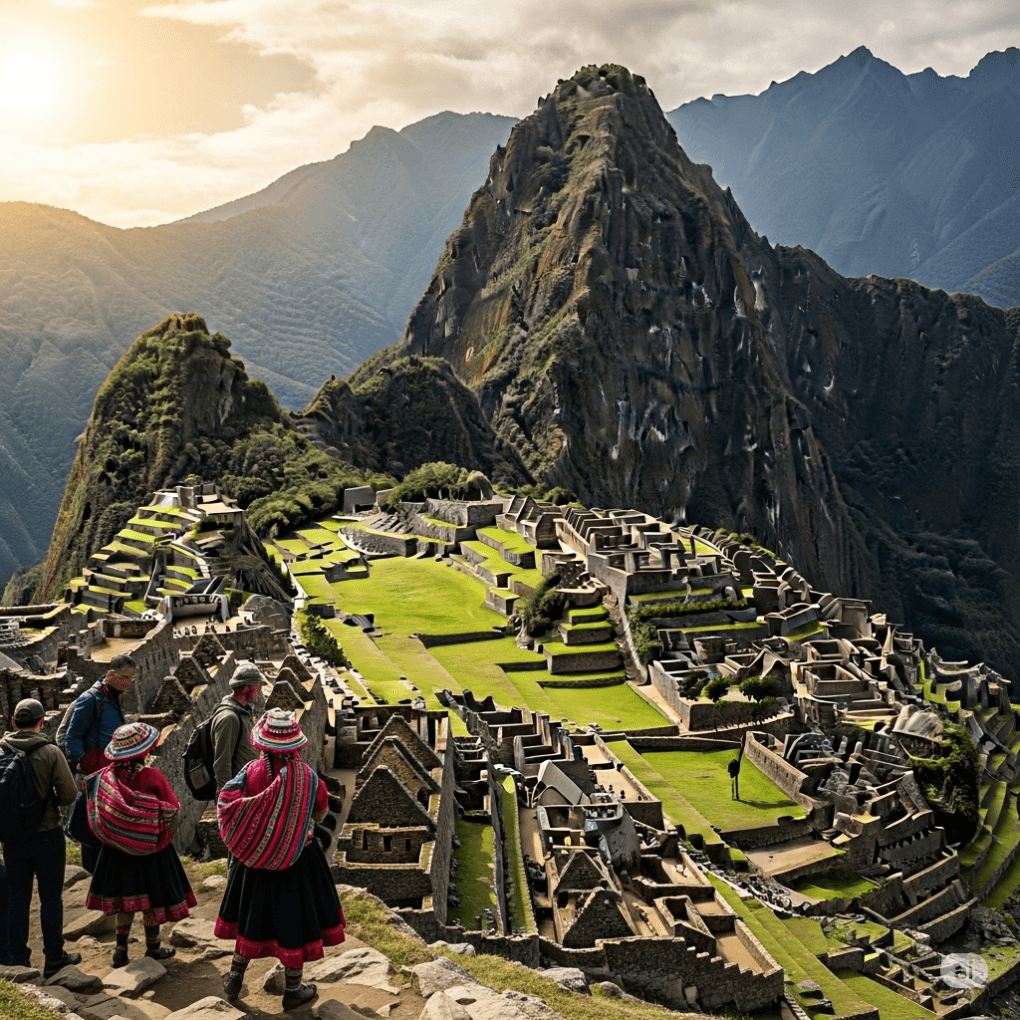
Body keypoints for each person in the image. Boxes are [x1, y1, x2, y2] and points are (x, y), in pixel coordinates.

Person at [215, 709, 345, 1009]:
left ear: (262, 744)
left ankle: (235, 976)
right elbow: (321, 812)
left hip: (254, 863)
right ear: (295, 745)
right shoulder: (307, 778)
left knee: (251, 917)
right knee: (293, 922)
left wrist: (263, 837)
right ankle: (293, 989)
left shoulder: (250, 771)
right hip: (296, 862)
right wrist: (288, 827)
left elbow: (232, 802)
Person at [85, 723, 196, 966]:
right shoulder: (152, 776)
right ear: (142, 752)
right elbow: (173, 812)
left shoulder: (106, 778)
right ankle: (153, 948)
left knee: (125, 899)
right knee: (151, 900)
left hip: (116, 851)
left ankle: (121, 949)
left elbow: (96, 809)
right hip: (151, 851)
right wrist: (161, 839)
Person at [2, 698, 81, 976]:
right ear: (41, 722)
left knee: (17, 898)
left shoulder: (1, 750)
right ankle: (54, 958)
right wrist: (47, 802)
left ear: (13, 722)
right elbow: (69, 794)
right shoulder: (49, 752)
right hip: (46, 833)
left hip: (11, 836)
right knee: (51, 898)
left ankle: (18, 958)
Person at [65, 654, 136, 775]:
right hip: (95, 772)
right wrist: (88, 767)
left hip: (111, 768)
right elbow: (72, 736)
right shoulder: (90, 699)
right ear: (110, 675)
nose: (128, 683)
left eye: (130, 679)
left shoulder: (114, 697)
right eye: (124, 678)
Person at [211, 664, 262, 793]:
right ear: (246, 689)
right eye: (257, 687)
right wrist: (228, 799)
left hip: (246, 789)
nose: (259, 691)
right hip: (237, 794)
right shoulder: (229, 718)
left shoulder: (242, 711)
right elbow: (222, 764)